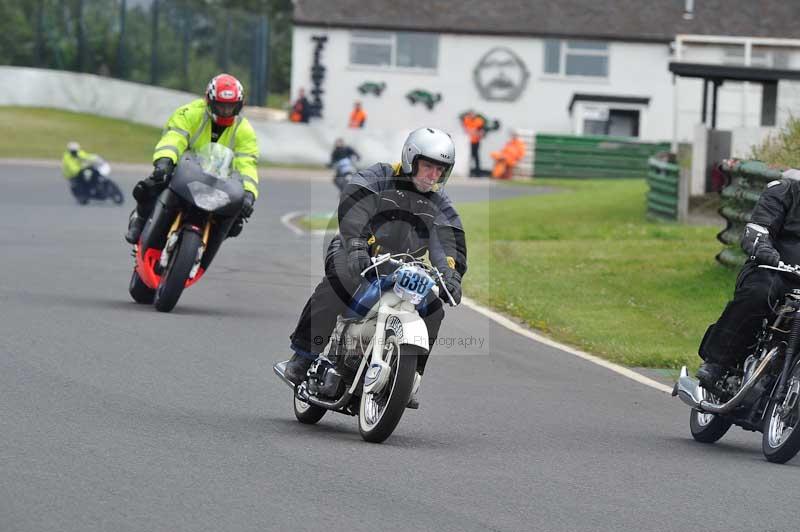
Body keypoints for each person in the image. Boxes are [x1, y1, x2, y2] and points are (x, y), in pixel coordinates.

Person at [281, 127, 468, 408]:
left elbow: (447, 241)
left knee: (433, 309)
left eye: (439, 169)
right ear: (410, 159)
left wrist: (451, 273)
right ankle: (303, 355)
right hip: (356, 249)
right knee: (339, 282)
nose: (432, 175)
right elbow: (355, 205)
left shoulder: (439, 203)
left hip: (403, 267)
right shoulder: (380, 176)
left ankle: (411, 378)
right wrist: (357, 245)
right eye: (427, 166)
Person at [125, 73, 260, 244]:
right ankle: (140, 219)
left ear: (240, 106)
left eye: (231, 107)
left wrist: (248, 194)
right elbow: (174, 138)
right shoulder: (189, 113)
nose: (226, 111)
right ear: (209, 101)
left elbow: (247, 164)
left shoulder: (245, 130)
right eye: (221, 106)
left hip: (219, 181)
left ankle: (206, 248)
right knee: (151, 185)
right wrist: (165, 161)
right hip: (184, 170)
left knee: (236, 222)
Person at [696, 172, 800, 388]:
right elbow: (759, 227)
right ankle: (717, 363)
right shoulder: (784, 191)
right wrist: (763, 248)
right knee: (758, 293)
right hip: (772, 270)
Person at [461, 111, 485, 177]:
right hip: (468, 142)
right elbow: (466, 129)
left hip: (476, 141)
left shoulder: (479, 121)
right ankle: (469, 171)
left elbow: (481, 131)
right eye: (471, 115)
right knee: (469, 156)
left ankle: (477, 172)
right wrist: (473, 131)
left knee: (476, 156)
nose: (472, 116)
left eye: (473, 115)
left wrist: (476, 132)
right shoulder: (467, 120)